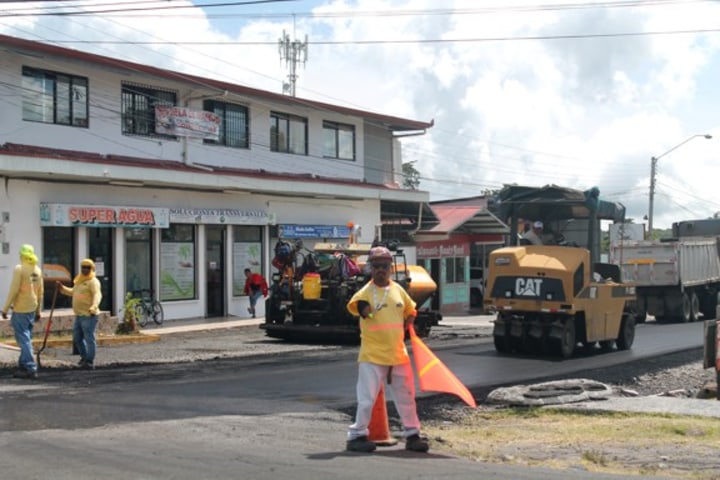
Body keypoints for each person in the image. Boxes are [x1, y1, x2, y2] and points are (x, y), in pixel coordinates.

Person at [344, 246, 429, 453]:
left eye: (384, 266)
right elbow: (357, 307)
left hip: (398, 354)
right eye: (376, 266)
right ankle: (356, 436)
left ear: (390, 268)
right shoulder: (364, 294)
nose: (380, 270)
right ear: (370, 269)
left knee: (406, 396)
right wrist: (365, 310)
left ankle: (412, 435)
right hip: (372, 356)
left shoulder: (398, 290)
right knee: (367, 399)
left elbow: (411, 309)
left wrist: (410, 322)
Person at [1, 244, 43, 379]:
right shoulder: (37, 270)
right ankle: (23, 365)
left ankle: (30, 367)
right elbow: (40, 292)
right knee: (27, 337)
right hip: (32, 308)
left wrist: (5, 308)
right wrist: (38, 310)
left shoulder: (19, 269)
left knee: (23, 339)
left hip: (21, 308)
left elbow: (14, 290)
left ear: (22, 255)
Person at [58, 258, 102, 370]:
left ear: (92, 269)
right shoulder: (79, 280)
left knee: (89, 338)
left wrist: (94, 306)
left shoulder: (93, 282)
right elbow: (73, 292)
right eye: (83, 267)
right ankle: (84, 358)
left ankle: (89, 361)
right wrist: (62, 288)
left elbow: (97, 295)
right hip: (79, 315)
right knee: (77, 338)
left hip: (89, 315)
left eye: (88, 267)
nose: (85, 269)